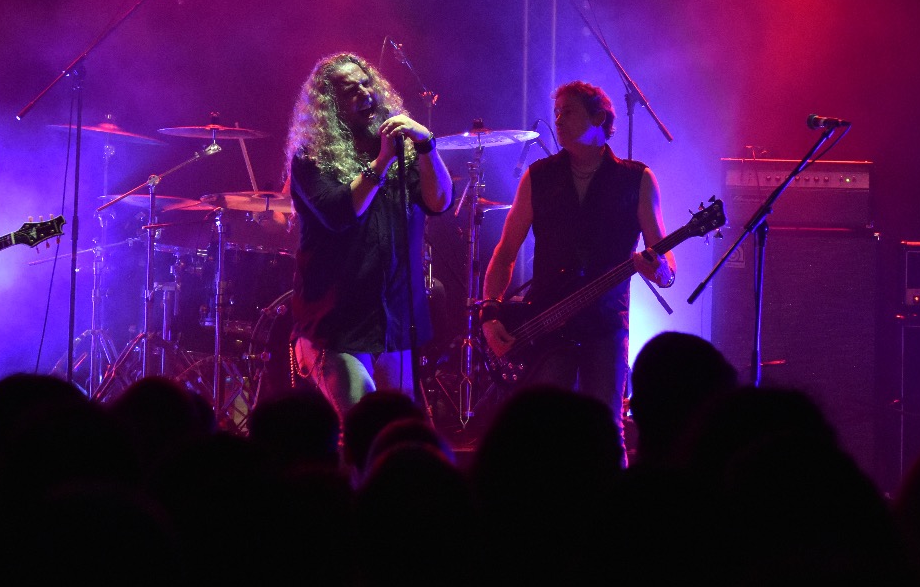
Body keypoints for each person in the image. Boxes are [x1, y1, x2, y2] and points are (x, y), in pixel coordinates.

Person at [480, 80, 675, 453]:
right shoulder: (539, 177)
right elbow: (505, 252)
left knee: (607, 432)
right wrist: (490, 312)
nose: (557, 120)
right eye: (556, 112)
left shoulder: (636, 179)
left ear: (599, 117)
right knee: (546, 436)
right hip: (545, 326)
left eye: (567, 112)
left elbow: (665, 261)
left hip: (605, 327)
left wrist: (659, 271)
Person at [281, 51, 453, 422]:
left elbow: (439, 202)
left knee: (398, 431)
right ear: (330, 107)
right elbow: (341, 212)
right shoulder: (311, 159)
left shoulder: (402, 150)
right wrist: (382, 162)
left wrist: (426, 146)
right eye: (350, 90)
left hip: (393, 317)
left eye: (366, 83)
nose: (365, 93)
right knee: (364, 426)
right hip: (336, 322)